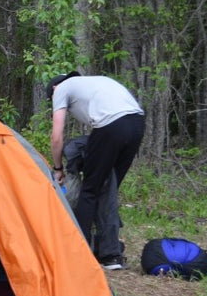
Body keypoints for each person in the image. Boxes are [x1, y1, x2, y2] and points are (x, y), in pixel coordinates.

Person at [48, 71, 145, 270]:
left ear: (54, 89)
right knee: (108, 188)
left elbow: (56, 136)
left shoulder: (61, 89)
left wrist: (58, 168)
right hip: (137, 123)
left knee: (90, 191)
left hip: (111, 126)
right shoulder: (95, 81)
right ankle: (109, 255)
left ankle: (79, 251)